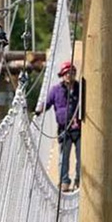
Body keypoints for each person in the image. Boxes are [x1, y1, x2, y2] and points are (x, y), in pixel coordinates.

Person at [37, 61, 81, 192]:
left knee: (81, 157)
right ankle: (64, 181)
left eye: (72, 73)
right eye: (67, 73)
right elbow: (48, 102)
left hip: (79, 129)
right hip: (64, 129)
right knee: (64, 157)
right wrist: (40, 109)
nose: (69, 75)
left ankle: (79, 180)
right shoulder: (56, 90)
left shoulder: (80, 88)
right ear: (63, 75)